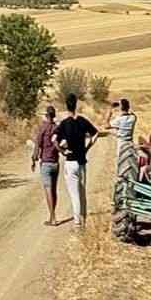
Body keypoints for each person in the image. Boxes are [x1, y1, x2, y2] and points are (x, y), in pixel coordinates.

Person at [53, 92, 98, 228]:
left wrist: (62, 152)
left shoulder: (64, 124)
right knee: (83, 192)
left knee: (74, 194)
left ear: (66, 106)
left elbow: (54, 140)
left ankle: (78, 223)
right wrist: (88, 147)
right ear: (76, 104)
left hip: (70, 161)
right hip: (82, 161)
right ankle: (83, 220)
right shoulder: (82, 121)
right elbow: (95, 133)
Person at [30, 104, 60, 226]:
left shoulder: (42, 128)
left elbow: (37, 145)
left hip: (46, 163)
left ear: (47, 116)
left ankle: (52, 217)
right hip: (56, 163)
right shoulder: (57, 128)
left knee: (48, 190)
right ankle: (52, 215)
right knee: (53, 190)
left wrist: (33, 160)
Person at [108, 97, 139, 193]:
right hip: (130, 143)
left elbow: (106, 125)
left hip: (121, 143)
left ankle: (121, 187)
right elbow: (133, 113)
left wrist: (110, 111)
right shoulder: (133, 118)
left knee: (120, 165)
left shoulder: (119, 119)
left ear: (121, 108)